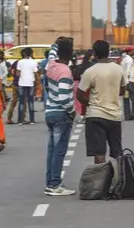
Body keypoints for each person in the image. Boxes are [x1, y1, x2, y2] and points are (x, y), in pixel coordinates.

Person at [77, 41, 127, 165]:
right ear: (108, 51)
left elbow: (79, 94)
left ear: (94, 53)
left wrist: (91, 103)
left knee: (99, 153)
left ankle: (101, 181)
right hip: (114, 115)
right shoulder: (119, 69)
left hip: (95, 115)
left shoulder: (90, 71)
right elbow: (122, 91)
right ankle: (122, 178)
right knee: (117, 152)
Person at [44, 38, 76, 196]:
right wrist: (72, 111)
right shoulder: (65, 71)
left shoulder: (51, 65)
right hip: (61, 113)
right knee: (59, 151)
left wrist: (56, 43)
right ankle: (55, 184)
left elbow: (51, 53)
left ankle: (50, 182)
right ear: (70, 54)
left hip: (49, 111)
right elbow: (64, 97)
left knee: (52, 150)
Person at [14, 47, 38, 125]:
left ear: (23, 53)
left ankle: (20, 120)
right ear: (31, 53)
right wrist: (37, 83)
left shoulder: (20, 62)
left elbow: (17, 74)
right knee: (30, 101)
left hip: (21, 83)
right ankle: (32, 120)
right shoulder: (34, 62)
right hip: (31, 83)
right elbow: (35, 73)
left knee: (21, 102)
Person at [120, 49, 134, 121]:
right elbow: (128, 70)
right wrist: (127, 80)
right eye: (132, 51)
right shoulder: (129, 59)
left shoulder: (124, 59)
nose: (133, 52)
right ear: (129, 52)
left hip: (125, 80)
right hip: (129, 81)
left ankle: (127, 115)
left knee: (126, 98)